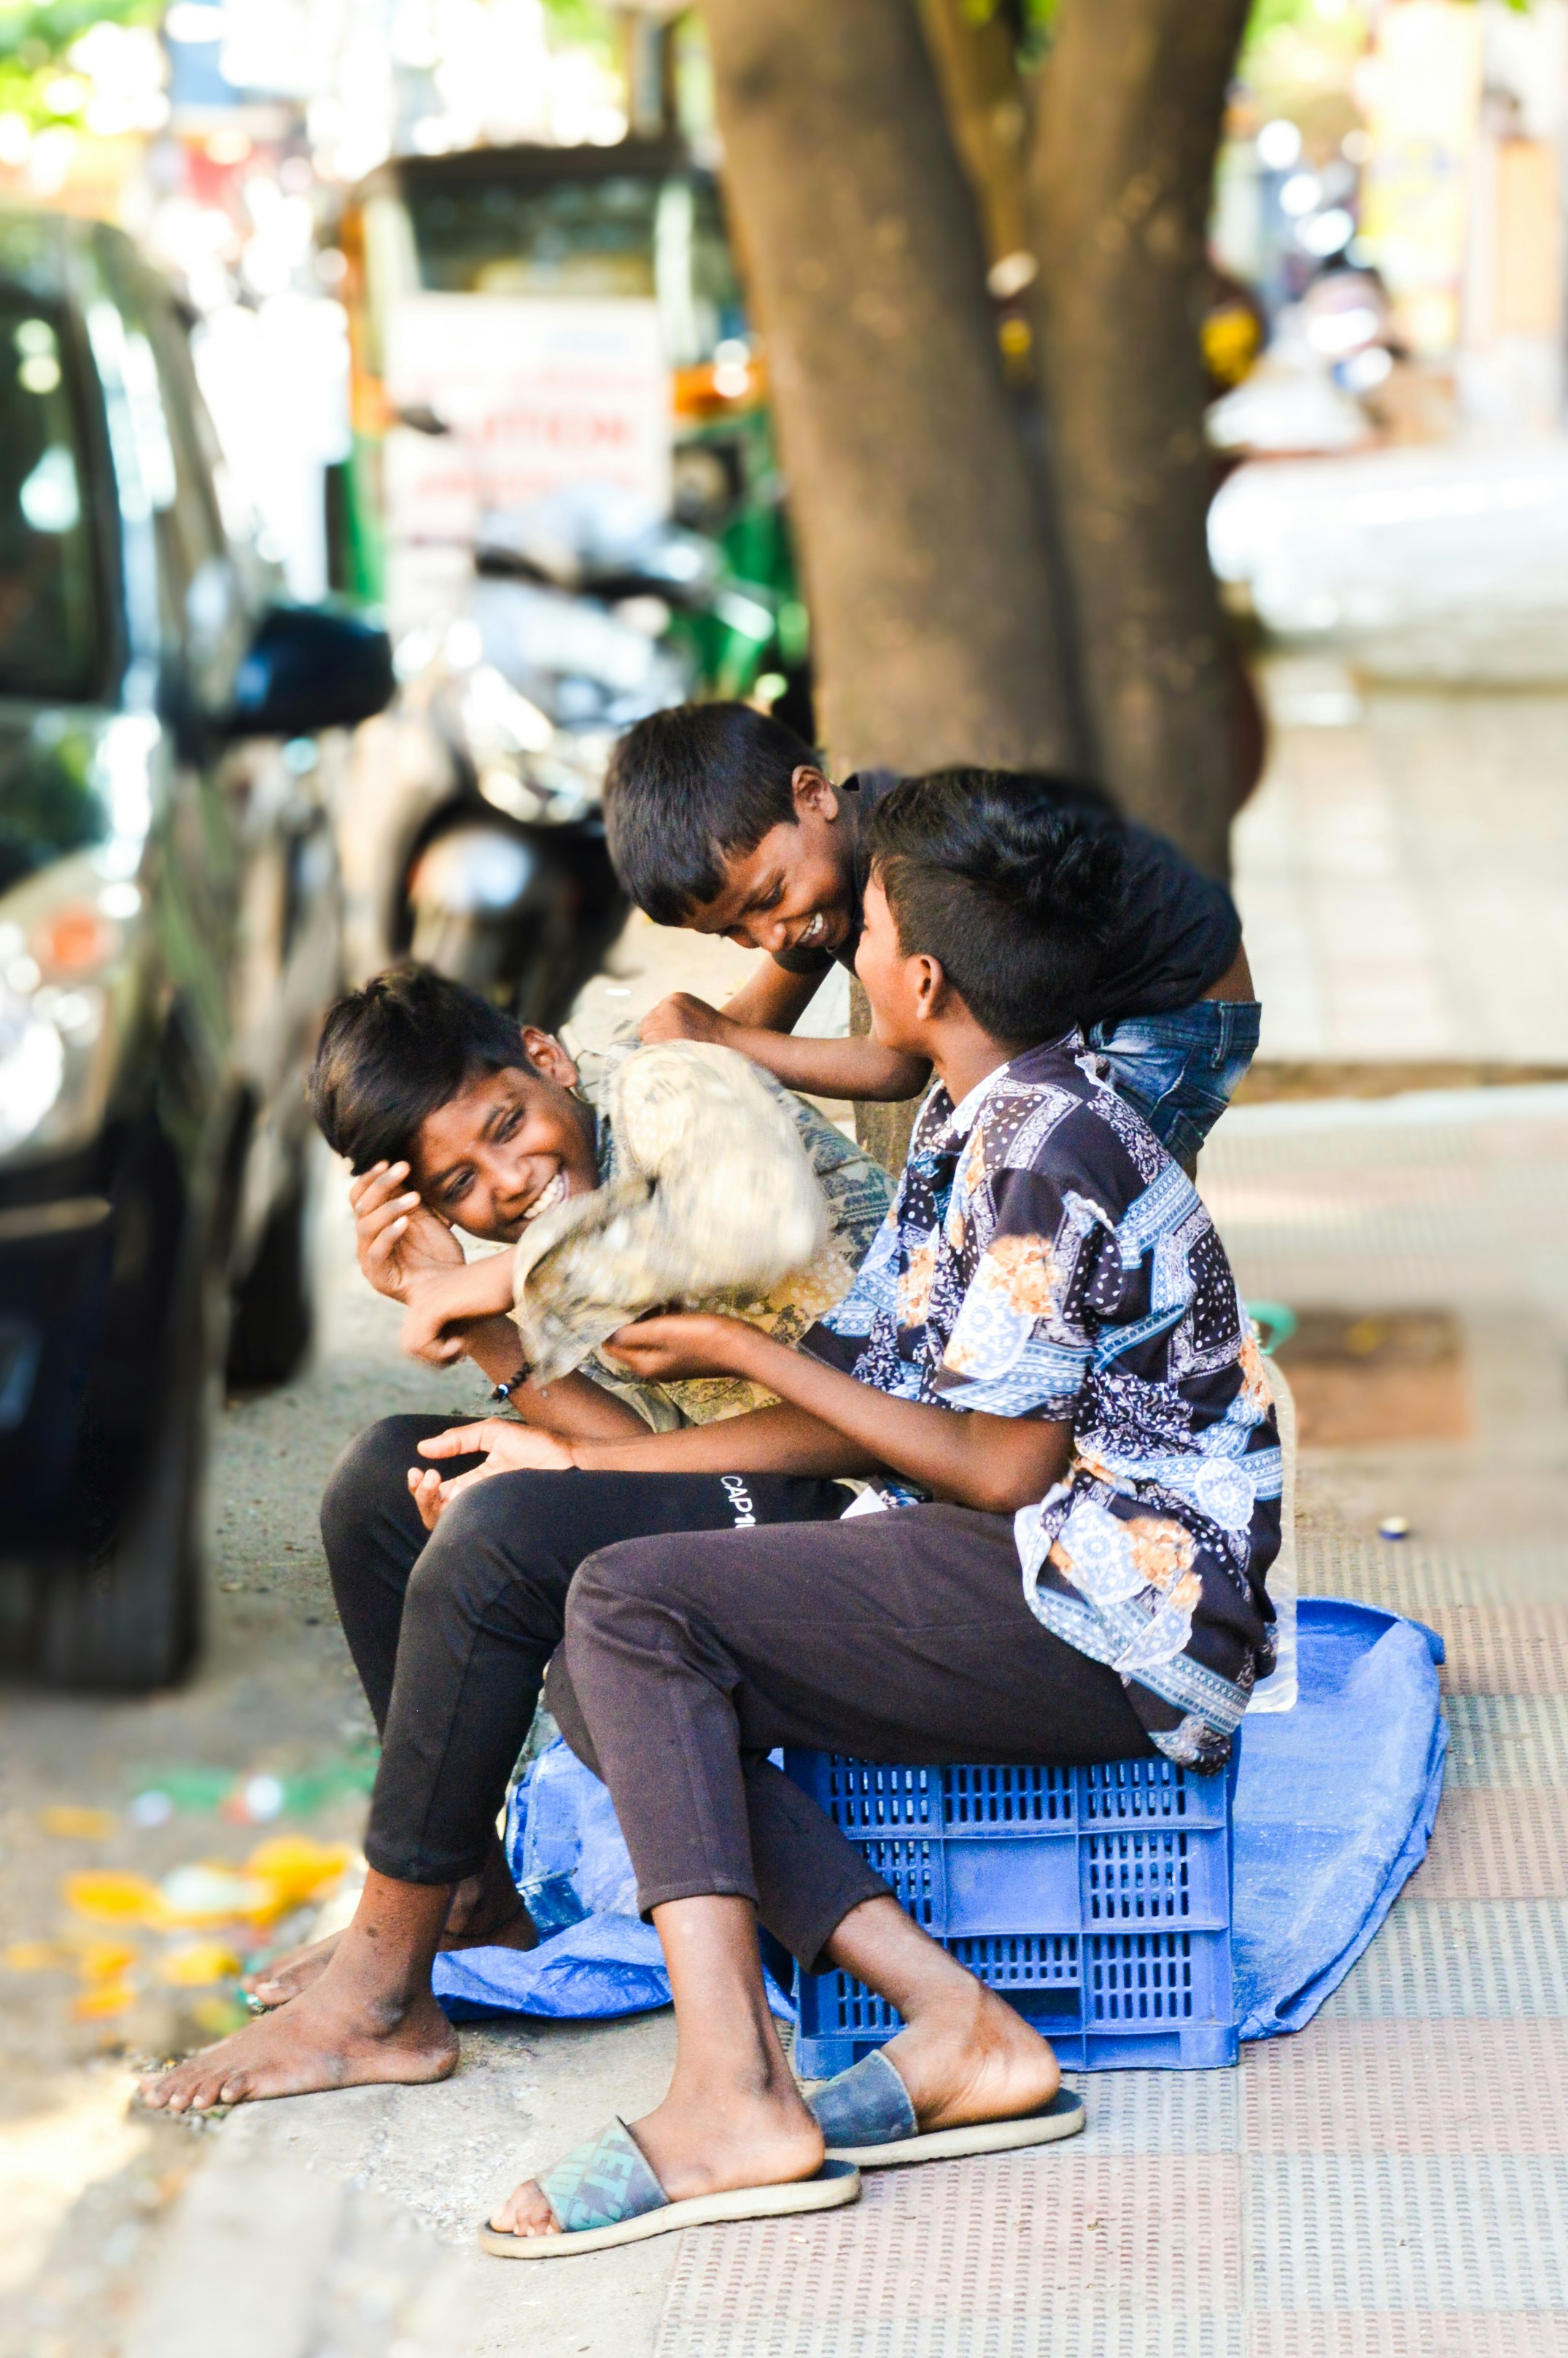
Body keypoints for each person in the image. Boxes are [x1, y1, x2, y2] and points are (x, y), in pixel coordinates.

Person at [141, 777, 1278, 2266]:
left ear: (920, 978)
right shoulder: (980, 1122)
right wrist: (540, 1416)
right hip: (1038, 1562)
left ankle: (732, 2088)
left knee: (623, 1601)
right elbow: (878, 1397)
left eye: (854, 921)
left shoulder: (1041, 1138)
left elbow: (994, 1467)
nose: (821, 945)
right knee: (600, 1589)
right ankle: (952, 2023)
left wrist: (707, 1346)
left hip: (1117, 1613)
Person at [241, 964, 894, 1993]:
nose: (503, 1184)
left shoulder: (662, 1087)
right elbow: (632, 1434)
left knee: (507, 1524)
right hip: (767, 1480)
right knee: (389, 1475)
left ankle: (380, 1985)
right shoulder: (565, 1225)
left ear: (548, 1058)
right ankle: (466, 1897)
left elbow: (750, 1230)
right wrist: (473, 1321)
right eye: (457, 1185)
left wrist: (485, 1280)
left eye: (506, 1126)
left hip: (885, 1493)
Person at [605, 702, 1261, 1174]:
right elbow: (751, 1016)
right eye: (732, 933)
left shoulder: (915, 873)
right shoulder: (821, 867)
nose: (770, 933)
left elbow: (894, 1066)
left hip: (1170, 1009)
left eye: (769, 899)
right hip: (1080, 994)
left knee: (1056, 1197)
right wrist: (658, 1069)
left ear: (812, 796)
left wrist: (720, 1040)